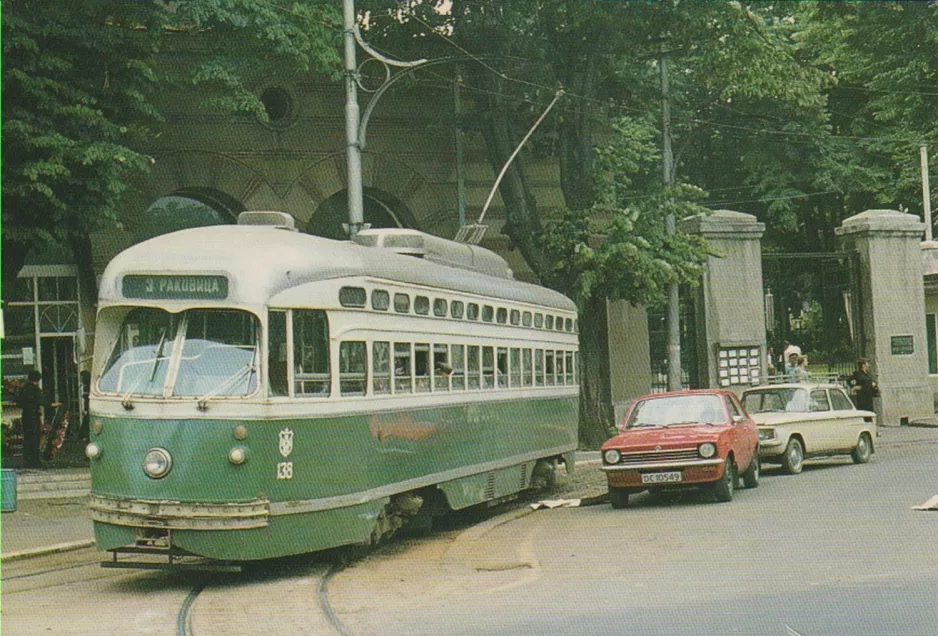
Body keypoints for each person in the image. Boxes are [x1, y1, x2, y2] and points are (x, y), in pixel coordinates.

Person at [15, 370, 49, 469]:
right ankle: (35, 461)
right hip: (34, 416)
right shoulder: (36, 390)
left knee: (27, 438)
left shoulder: (23, 389)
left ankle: (27, 461)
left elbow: (18, 402)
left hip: (25, 415)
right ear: (37, 379)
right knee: (35, 439)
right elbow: (42, 401)